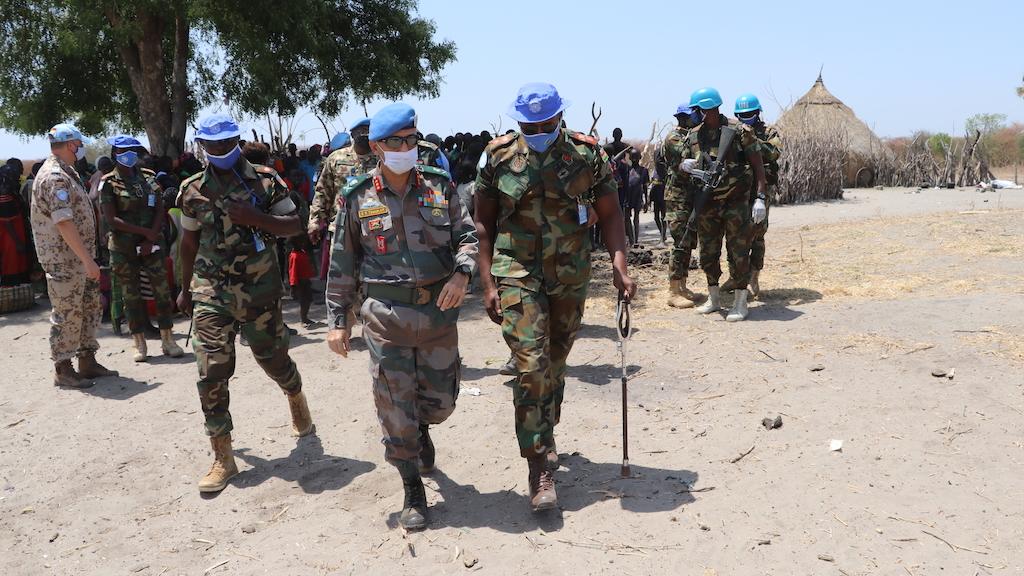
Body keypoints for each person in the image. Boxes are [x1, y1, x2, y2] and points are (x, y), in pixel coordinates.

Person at [475, 83, 637, 512]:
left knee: (555, 366)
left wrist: (619, 265)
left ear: (560, 117)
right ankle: (538, 466)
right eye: (529, 126)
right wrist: (488, 283)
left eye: (545, 125)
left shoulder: (587, 155)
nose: (538, 132)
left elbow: (611, 214)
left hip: (569, 275)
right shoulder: (498, 156)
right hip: (516, 272)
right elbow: (483, 224)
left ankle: (545, 434)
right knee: (531, 366)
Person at [326, 103, 477, 531]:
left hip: (437, 313)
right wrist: (338, 321)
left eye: (411, 140)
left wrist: (462, 274)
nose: (406, 148)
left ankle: (422, 429)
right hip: (384, 316)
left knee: (442, 403)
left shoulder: (439, 185)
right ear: (377, 146)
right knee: (394, 405)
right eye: (396, 142)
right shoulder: (357, 196)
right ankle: (412, 487)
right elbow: (341, 261)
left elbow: (467, 236)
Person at [176, 114, 314, 493]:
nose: (219, 149)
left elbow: (295, 225)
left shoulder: (267, 181)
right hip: (211, 291)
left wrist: (256, 217)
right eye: (212, 144)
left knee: (273, 359)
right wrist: (185, 288)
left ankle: (294, 394)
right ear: (202, 145)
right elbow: (188, 242)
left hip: (259, 289)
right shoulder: (192, 190)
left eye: (226, 142)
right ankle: (223, 456)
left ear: (237, 140)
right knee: (211, 369)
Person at [30, 123, 119, 389]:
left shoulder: (68, 172)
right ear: (71, 145)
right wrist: (87, 260)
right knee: (67, 312)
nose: (81, 150)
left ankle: (87, 361)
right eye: (79, 145)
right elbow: (64, 222)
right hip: (65, 260)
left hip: (79, 258)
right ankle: (63, 368)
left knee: (89, 308)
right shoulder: (55, 177)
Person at [680, 87, 768, 322]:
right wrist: (684, 166)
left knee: (738, 252)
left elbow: (759, 168)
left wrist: (759, 199)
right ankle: (714, 298)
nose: (694, 114)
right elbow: (684, 168)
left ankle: (740, 302)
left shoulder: (739, 132)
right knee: (708, 252)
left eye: (697, 109)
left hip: (735, 203)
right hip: (707, 203)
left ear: (709, 108)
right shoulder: (694, 136)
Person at [99, 136, 183, 362]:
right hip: (123, 248)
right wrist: (144, 232)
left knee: (162, 292)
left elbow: (159, 208)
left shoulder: (148, 177)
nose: (129, 155)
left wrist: (151, 236)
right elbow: (111, 219)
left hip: (152, 244)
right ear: (115, 153)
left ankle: (168, 340)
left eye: (133, 150)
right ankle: (139, 343)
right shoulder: (108, 183)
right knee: (131, 296)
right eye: (124, 151)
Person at [721, 93, 779, 298]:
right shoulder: (733, 132)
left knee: (757, 234)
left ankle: (754, 275)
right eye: (742, 115)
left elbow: (773, 152)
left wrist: (752, 141)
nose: (747, 118)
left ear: (758, 112)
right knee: (733, 235)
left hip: (761, 189)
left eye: (751, 113)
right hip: (737, 190)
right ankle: (735, 276)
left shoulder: (769, 132)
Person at [662, 103, 702, 308]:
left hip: (689, 196)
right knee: (680, 243)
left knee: (688, 242)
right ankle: (673, 290)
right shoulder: (674, 137)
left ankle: (683, 286)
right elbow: (685, 153)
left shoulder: (691, 135)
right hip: (677, 197)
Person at [623, 150, 648, 246]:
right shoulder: (626, 169)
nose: (634, 159)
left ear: (639, 158)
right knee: (627, 218)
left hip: (637, 196)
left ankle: (636, 241)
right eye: (633, 157)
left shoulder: (644, 170)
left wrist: (646, 201)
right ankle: (631, 240)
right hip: (627, 196)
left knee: (636, 218)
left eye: (636, 157)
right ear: (630, 158)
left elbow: (645, 187)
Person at [646, 149, 668, 245]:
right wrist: (649, 198)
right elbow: (652, 184)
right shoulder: (655, 170)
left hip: (663, 194)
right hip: (655, 195)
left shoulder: (665, 169)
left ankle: (662, 238)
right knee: (656, 217)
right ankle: (662, 235)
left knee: (663, 217)